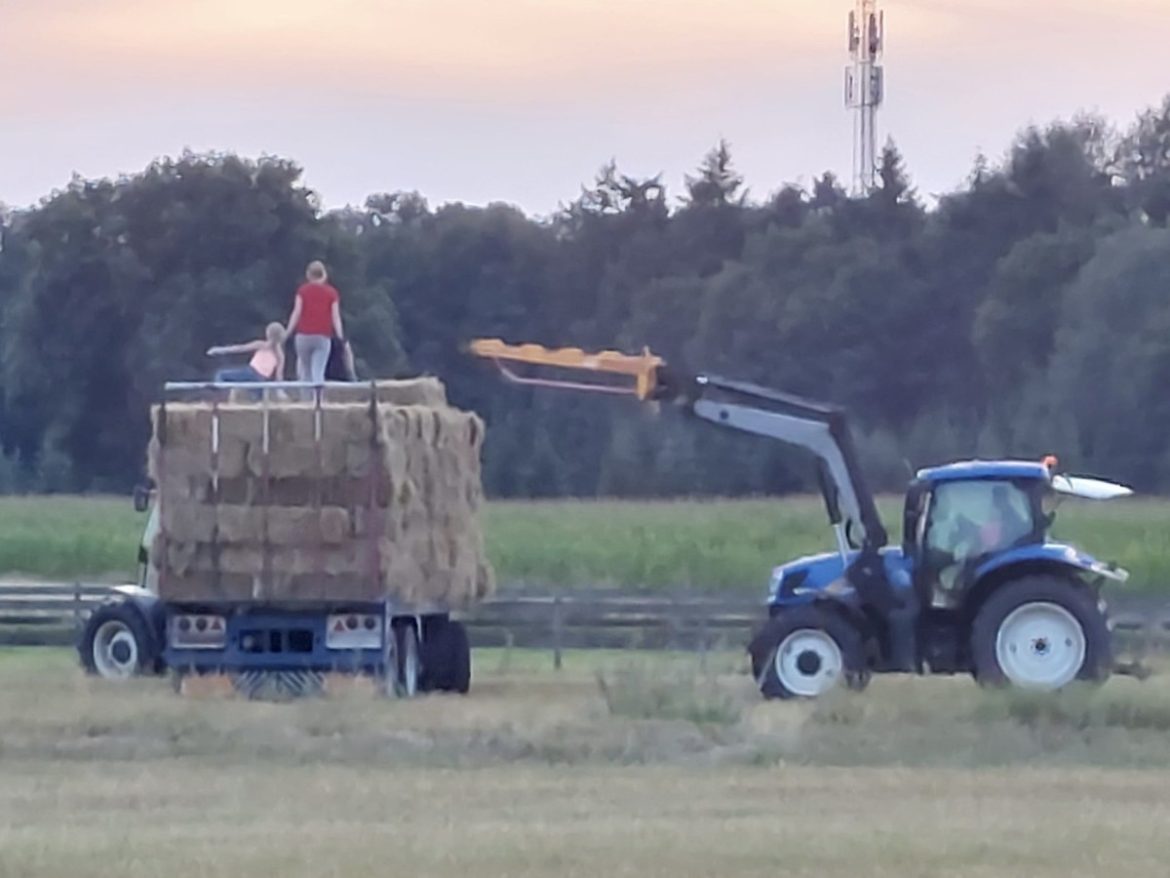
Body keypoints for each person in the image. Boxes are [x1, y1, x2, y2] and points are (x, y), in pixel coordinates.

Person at [286, 260, 345, 384]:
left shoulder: (302, 291)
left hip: (303, 335)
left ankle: (305, 400)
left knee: (305, 370)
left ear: (308, 274)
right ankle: (317, 400)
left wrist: (288, 332)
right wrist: (340, 336)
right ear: (324, 274)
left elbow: (296, 312)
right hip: (322, 336)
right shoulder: (332, 293)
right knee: (318, 370)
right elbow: (336, 317)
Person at [207, 322, 286, 384]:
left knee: (220, 374)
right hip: (262, 380)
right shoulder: (280, 355)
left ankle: (219, 399)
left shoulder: (262, 345)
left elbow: (240, 348)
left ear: (268, 334)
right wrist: (281, 391)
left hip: (251, 372)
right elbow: (279, 376)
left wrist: (219, 350)